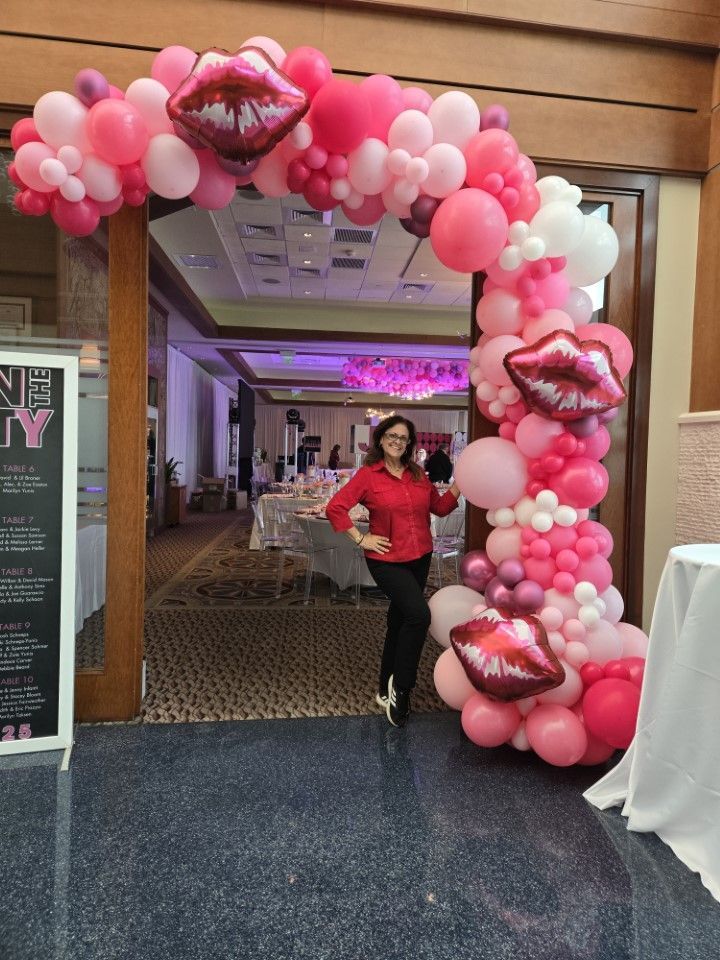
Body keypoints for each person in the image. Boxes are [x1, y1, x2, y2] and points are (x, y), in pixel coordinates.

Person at [326, 416, 460, 727]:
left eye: (404, 437)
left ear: (410, 443)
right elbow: (335, 507)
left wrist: (460, 484)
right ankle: (402, 687)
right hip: (386, 559)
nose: (398, 441)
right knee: (419, 616)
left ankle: (384, 687)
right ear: (382, 439)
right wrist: (361, 538)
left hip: (420, 555)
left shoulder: (417, 475)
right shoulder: (368, 475)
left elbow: (438, 508)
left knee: (399, 620)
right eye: (392, 435)